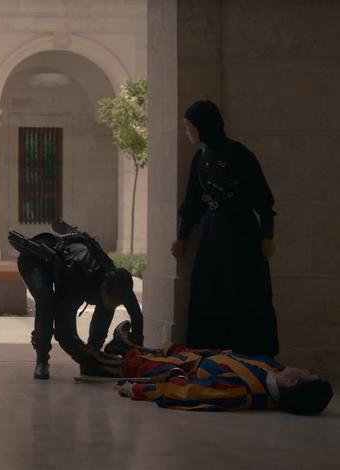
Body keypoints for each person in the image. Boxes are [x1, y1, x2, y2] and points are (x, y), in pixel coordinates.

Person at [172, 100, 279, 356]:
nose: (187, 132)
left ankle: (249, 354)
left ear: (203, 126)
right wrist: (182, 237)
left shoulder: (240, 154)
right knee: (210, 294)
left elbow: (263, 200)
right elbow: (193, 202)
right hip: (213, 237)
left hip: (242, 237)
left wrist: (267, 236)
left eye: (189, 127)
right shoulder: (200, 158)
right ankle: (211, 355)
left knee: (245, 293)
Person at [9, 222, 143, 380]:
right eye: (114, 301)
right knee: (47, 301)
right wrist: (92, 361)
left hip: (66, 261)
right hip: (35, 260)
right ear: (104, 288)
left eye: (119, 303)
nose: (115, 305)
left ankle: (91, 359)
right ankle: (42, 359)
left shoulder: (119, 282)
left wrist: (137, 349)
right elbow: (64, 334)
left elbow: (136, 315)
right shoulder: (77, 282)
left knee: (106, 309)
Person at [105, 322, 333, 415]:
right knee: (170, 351)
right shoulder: (274, 369)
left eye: (308, 373)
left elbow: (189, 393)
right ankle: (127, 346)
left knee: (149, 366)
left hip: (190, 369)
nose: (305, 368)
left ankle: (114, 359)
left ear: (292, 383)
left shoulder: (241, 391)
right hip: (203, 357)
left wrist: (137, 390)